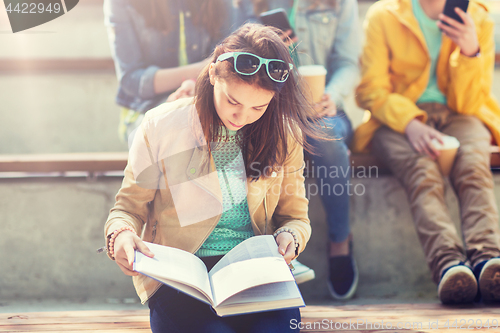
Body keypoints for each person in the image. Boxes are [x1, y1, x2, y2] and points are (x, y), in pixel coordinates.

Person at [104, 23, 323, 332]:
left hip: (254, 275)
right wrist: (120, 237)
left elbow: (296, 218)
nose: (242, 115)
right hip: (180, 278)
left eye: (258, 107)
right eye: (232, 101)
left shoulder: (284, 135)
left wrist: (291, 238)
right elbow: (127, 209)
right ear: (212, 75)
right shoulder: (161, 125)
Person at [354, 0, 500, 304]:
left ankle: (489, 262)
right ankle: (450, 265)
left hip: (460, 115)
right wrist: (410, 123)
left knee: (473, 165)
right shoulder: (384, 14)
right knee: (422, 170)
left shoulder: (479, 18)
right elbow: (371, 89)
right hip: (396, 120)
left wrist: (470, 51)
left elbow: (470, 104)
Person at [237, 0, 362, 298]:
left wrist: (334, 94)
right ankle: (272, 245)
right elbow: (236, 52)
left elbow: (349, 63)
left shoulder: (341, 4)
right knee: (269, 133)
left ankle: (339, 243)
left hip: (325, 108)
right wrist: (269, 50)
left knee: (325, 137)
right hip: (272, 105)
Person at [103, 0, 240, 143]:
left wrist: (197, 88)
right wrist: (201, 71)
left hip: (207, 97)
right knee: (177, 129)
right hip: (146, 108)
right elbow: (131, 80)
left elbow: (230, 64)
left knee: (219, 131)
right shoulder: (121, 3)